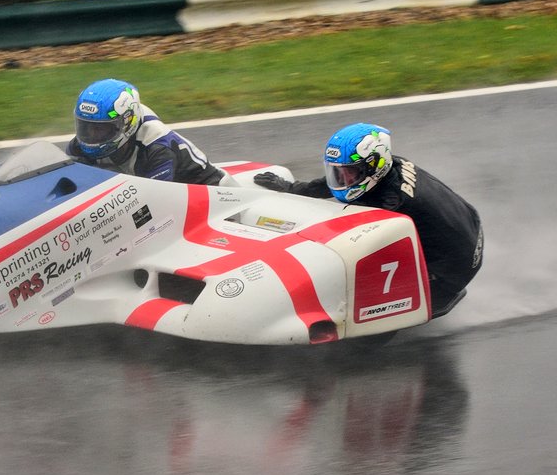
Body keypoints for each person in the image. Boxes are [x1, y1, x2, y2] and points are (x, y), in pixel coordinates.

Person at [254, 122, 483, 315]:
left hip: (450, 270)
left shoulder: (390, 203)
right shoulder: (393, 165)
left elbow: (344, 238)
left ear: (374, 165)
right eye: (338, 172)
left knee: (353, 285)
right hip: (470, 225)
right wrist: (293, 188)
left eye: (350, 172)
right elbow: (333, 186)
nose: (342, 179)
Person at [67, 78, 227, 185]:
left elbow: (152, 207)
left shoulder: (157, 149)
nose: (92, 136)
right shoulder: (80, 145)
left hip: (204, 192)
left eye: (100, 129)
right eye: (86, 127)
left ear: (127, 123)